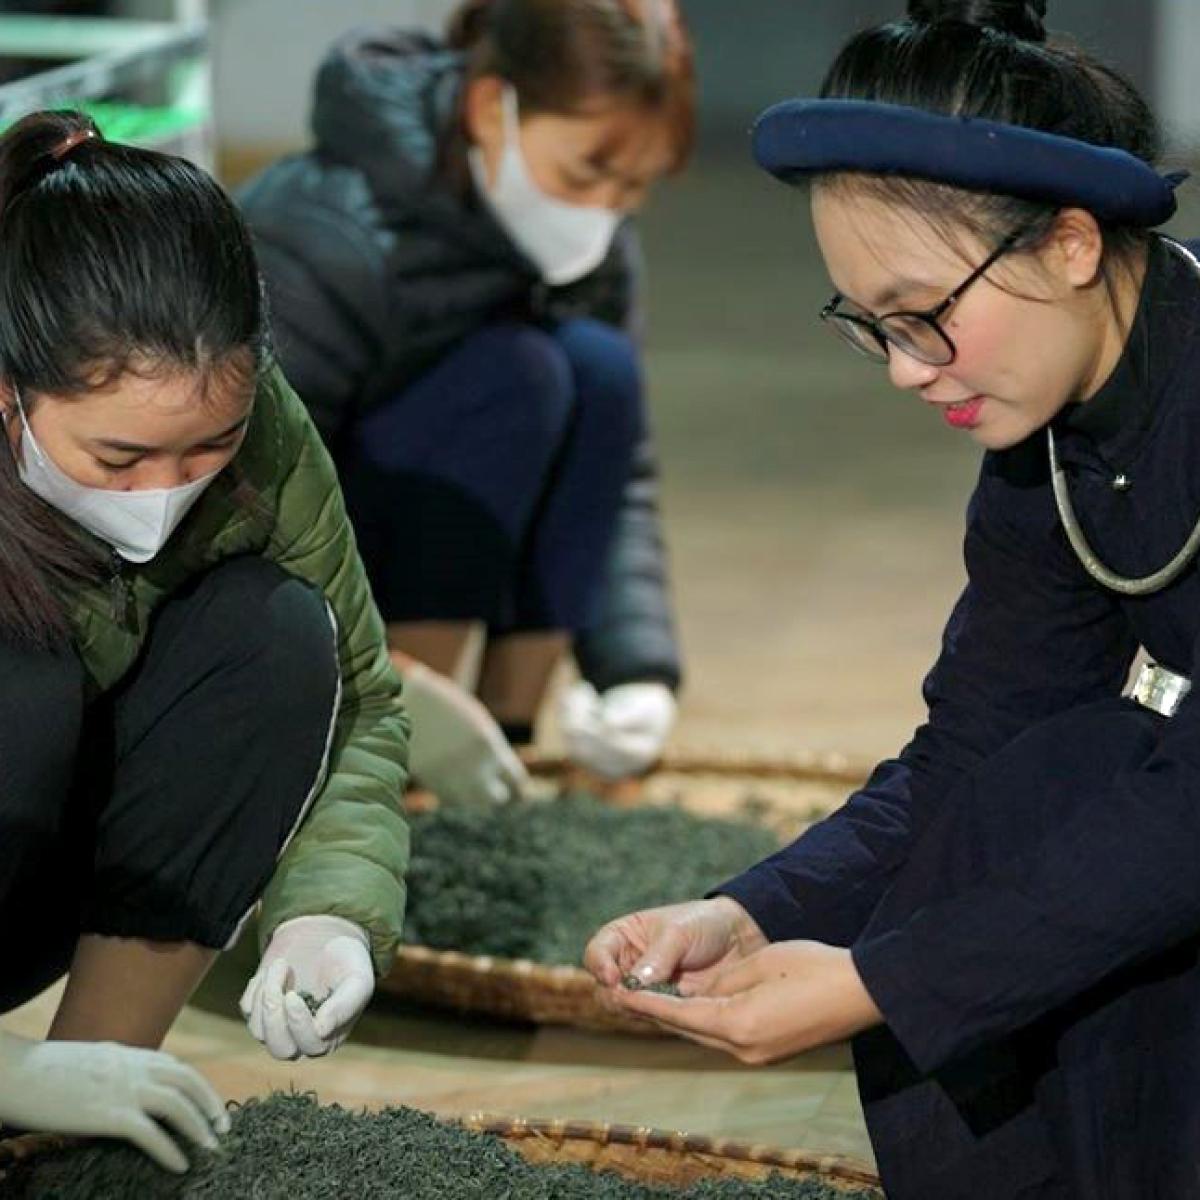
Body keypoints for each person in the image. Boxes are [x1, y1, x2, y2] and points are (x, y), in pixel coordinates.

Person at [584, 2, 1200, 1196]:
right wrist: (755, 913)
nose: (909, 371)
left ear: (1071, 243)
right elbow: (979, 739)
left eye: (927, 317)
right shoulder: (1053, 441)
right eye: (871, 327)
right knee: (1045, 783)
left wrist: (882, 981)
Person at [0, 110, 409, 1166]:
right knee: (25, 681)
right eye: (120, 457)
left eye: (209, 447)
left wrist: (328, 914)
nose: (167, 493)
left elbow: (358, 692)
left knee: (275, 633)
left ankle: (72, 1130)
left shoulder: (261, 432)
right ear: (9, 390)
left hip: (50, 879)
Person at [237, 0, 694, 803]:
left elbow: (622, 474)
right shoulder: (322, 229)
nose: (605, 208)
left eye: (634, 186)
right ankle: (393, 756)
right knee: (517, 376)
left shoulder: (595, 245)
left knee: (600, 369)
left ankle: (504, 747)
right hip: (319, 586)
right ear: (491, 108)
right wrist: (378, 665)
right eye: (589, 170)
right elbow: (242, 486)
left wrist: (636, 668)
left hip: (442, 536)